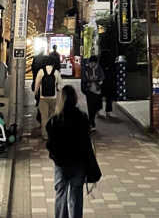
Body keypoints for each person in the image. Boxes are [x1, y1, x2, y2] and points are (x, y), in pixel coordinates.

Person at [45, 85, 98, 218]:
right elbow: (86, 143)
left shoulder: (54, 121)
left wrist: (55, 156)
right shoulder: (82, 118)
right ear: (75, 99)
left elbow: (50, 144)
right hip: (78, 163)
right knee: (76, 196)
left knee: (61, 195)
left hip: (61, 164)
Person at [34, 60, 61, 139]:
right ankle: (52, 133)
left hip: (43, 98)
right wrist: (58, 89)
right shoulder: (56, 72)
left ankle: (45, 135)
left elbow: (37, 84)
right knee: (52, 116)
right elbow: (60, 85)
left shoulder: (41, 71)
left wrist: (35, 93)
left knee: (44, 117)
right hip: (53, 98)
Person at [80, 55, 104, 129]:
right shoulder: (86, 69)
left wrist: (98, 81)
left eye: (94, 63)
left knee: (95, 107)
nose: (92, 65)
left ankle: (92, 121)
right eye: (91, 63)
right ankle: (92, 123)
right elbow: (83, 79)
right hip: (89, 91)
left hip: (97, 91)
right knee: (90, 108)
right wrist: (89, 81)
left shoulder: (99, 68)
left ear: (96, 63)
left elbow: (102, 78)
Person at [98, 50, 115, 118]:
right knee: (109, 97)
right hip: (108, 82)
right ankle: (108, 112)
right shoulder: (111, 63)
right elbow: (113, 73)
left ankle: (99, 111)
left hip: (102, 82)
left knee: (100, 97)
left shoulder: (100, 64)